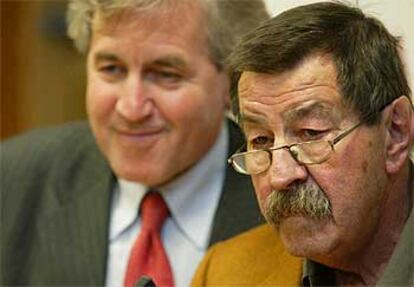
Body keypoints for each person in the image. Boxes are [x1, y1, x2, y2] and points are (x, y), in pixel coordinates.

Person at [0, 1, 269, 286]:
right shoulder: (14, 181)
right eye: (111, 69)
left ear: (234, 81)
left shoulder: (282, 193)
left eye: (166, 74)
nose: (131, 109)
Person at [192, 2, 414, 286]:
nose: (280, 176)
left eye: (310, 133)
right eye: (261, 140)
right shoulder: (224, 274)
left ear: (396, 133)